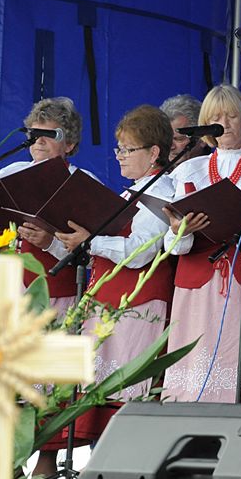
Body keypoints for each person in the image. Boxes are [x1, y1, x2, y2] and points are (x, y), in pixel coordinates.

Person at [0, 96, 95, 479]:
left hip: (57, 292)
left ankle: (45, 464)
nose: (36, 141)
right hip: (9, 291)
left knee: (46, 383)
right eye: (32, 133)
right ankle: (3, 465)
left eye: (47, 134)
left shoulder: (83, 183)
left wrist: (51, 240)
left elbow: (92, 247)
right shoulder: (11, 172)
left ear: (68, 142)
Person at [161, 83, 241, 404]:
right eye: (217, 117)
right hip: (198, 286)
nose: (226, 123)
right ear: (206, 125)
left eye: (233, 115)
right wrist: (182, 230)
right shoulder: (187, 171)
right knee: (194, 372)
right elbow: (173, 248)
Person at [54, 105, 176, 436]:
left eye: (127, 149)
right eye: (118, 148)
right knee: (102, 393)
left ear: (154, 152)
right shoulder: (131, 191)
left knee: (127, 394)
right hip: (112, 301)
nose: (119, 156)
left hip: (138, 305)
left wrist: (90, 240)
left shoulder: (160, 192)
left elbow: (140, 252)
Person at [160, 94, 210, 163]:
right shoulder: (154, 170)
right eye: (166, 139)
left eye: (179, 139)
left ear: (203, 139)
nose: (171, 147)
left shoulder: (217, 169)